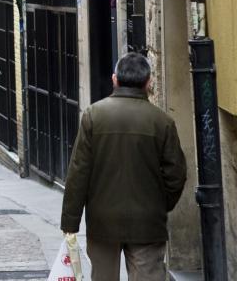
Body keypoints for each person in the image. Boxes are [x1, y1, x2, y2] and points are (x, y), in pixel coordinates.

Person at [60, 53, 187, 281]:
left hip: (102, 220)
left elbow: (78, 173)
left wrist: (70, 221)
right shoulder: (162, 122)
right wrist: (160, 204)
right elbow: (176, 174)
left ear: (114, 79)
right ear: (149, 83)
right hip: (147, 221)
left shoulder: (93, 116)